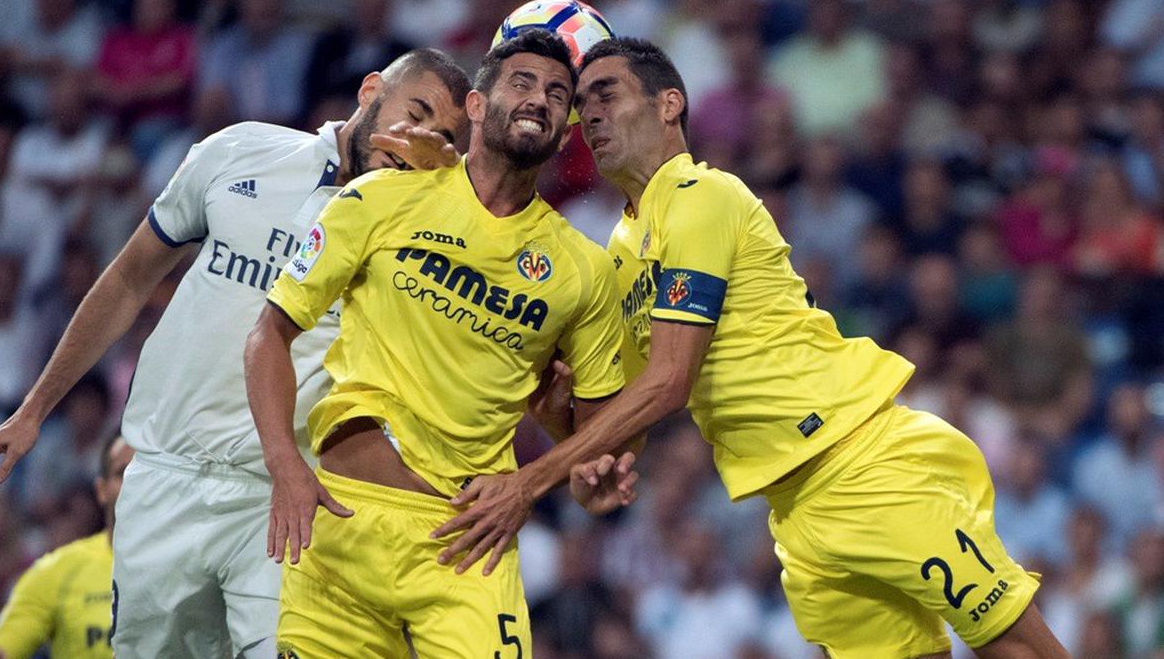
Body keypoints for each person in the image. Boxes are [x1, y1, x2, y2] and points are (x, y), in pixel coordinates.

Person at [435, 38, 1070, 659]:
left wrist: (528, 482)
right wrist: (567, 437)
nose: (589, 114)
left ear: (669, 105)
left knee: (1013, 643)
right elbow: (621, 431)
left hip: (863, 461)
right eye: (582, 104)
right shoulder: (623, 253)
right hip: (794, 511)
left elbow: (670, 383)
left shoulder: (702, 196)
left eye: (607, 93)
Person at [0, 49, 472, 658]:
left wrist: (452, 197)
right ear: (370, 91)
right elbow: (128, 281)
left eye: (440, 135)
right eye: (414, 112)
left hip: (283, 493)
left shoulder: (426, 234)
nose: (416, 138)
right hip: (164, 476)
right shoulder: (240, 151)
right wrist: (33, 411)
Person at [244, 29, 636, 659]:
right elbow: (269, 333)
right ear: (476, 106)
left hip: (469, 544)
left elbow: (598, 437)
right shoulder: (378, 198)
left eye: (557, 93)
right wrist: (283, 463)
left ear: (567, 131)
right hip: (344, 527)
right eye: (522, 82)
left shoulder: (584, 270)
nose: (540, 98)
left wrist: (553, 468)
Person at [0, 433, 134, 659]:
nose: (135, 482)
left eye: (144, 473)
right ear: (101, 490)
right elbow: (1, 649)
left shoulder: (193, 561)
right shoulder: (57, 571)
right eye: (123, 473)